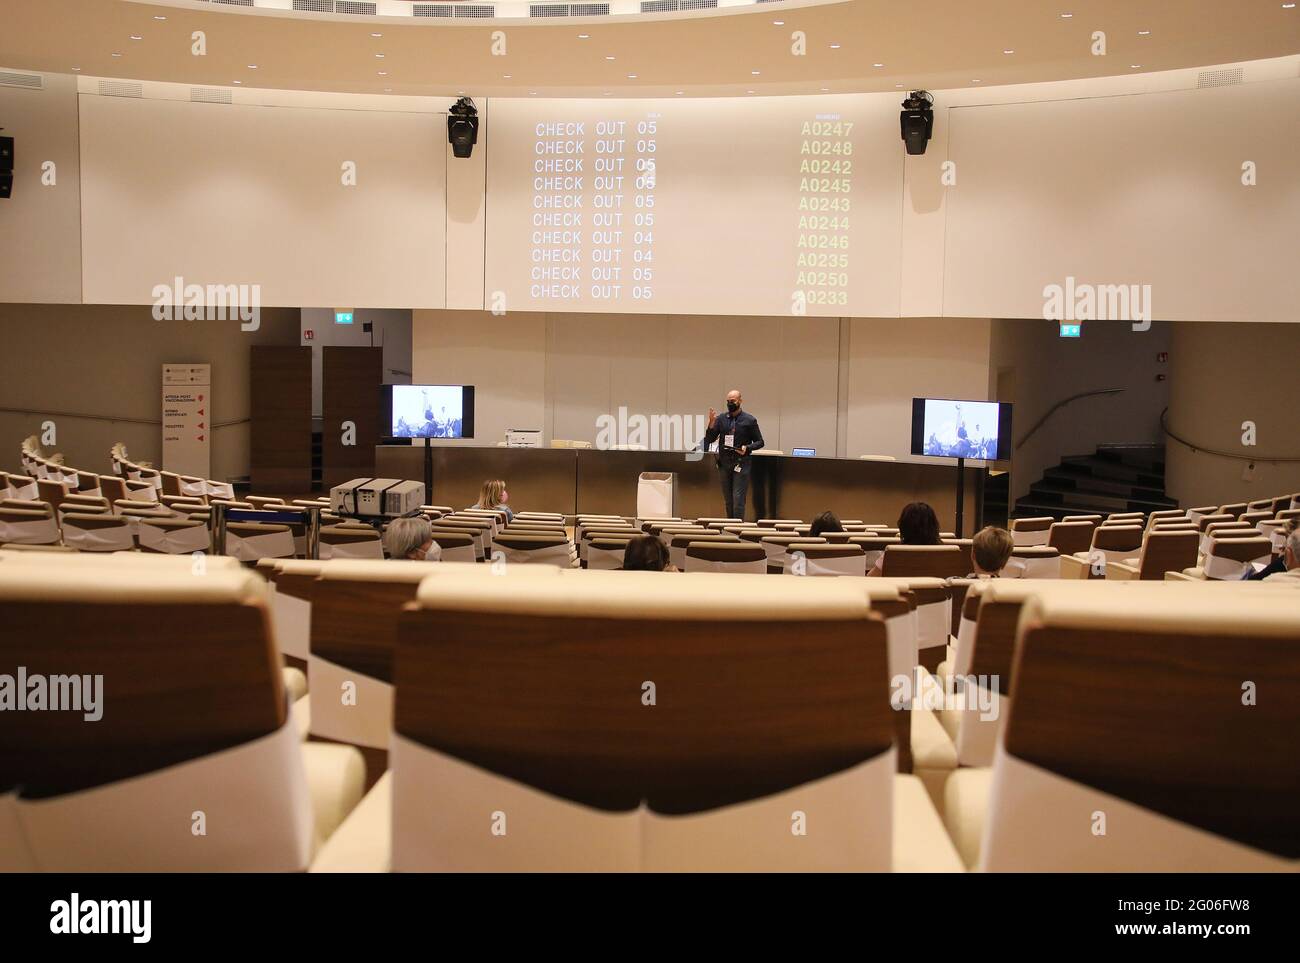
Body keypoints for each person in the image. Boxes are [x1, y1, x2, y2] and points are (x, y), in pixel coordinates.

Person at [700, 388, 764, 521]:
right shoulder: (722, 419)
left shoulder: (749, 420)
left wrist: (747, 448)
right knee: (728, 500)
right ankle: (729, 526)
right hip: (724, 464)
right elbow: (710, 439)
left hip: (741, 463)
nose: (730, 403)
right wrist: (711, 423)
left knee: (738, 499)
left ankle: (738, 528)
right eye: (728, 401)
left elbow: (760, 442)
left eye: (733, 401)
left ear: (740, 401)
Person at [869, 501, 942, 575]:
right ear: (934, 526)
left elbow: (870, 578)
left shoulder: (892, 554)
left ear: (903, 527)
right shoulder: (946, 554)